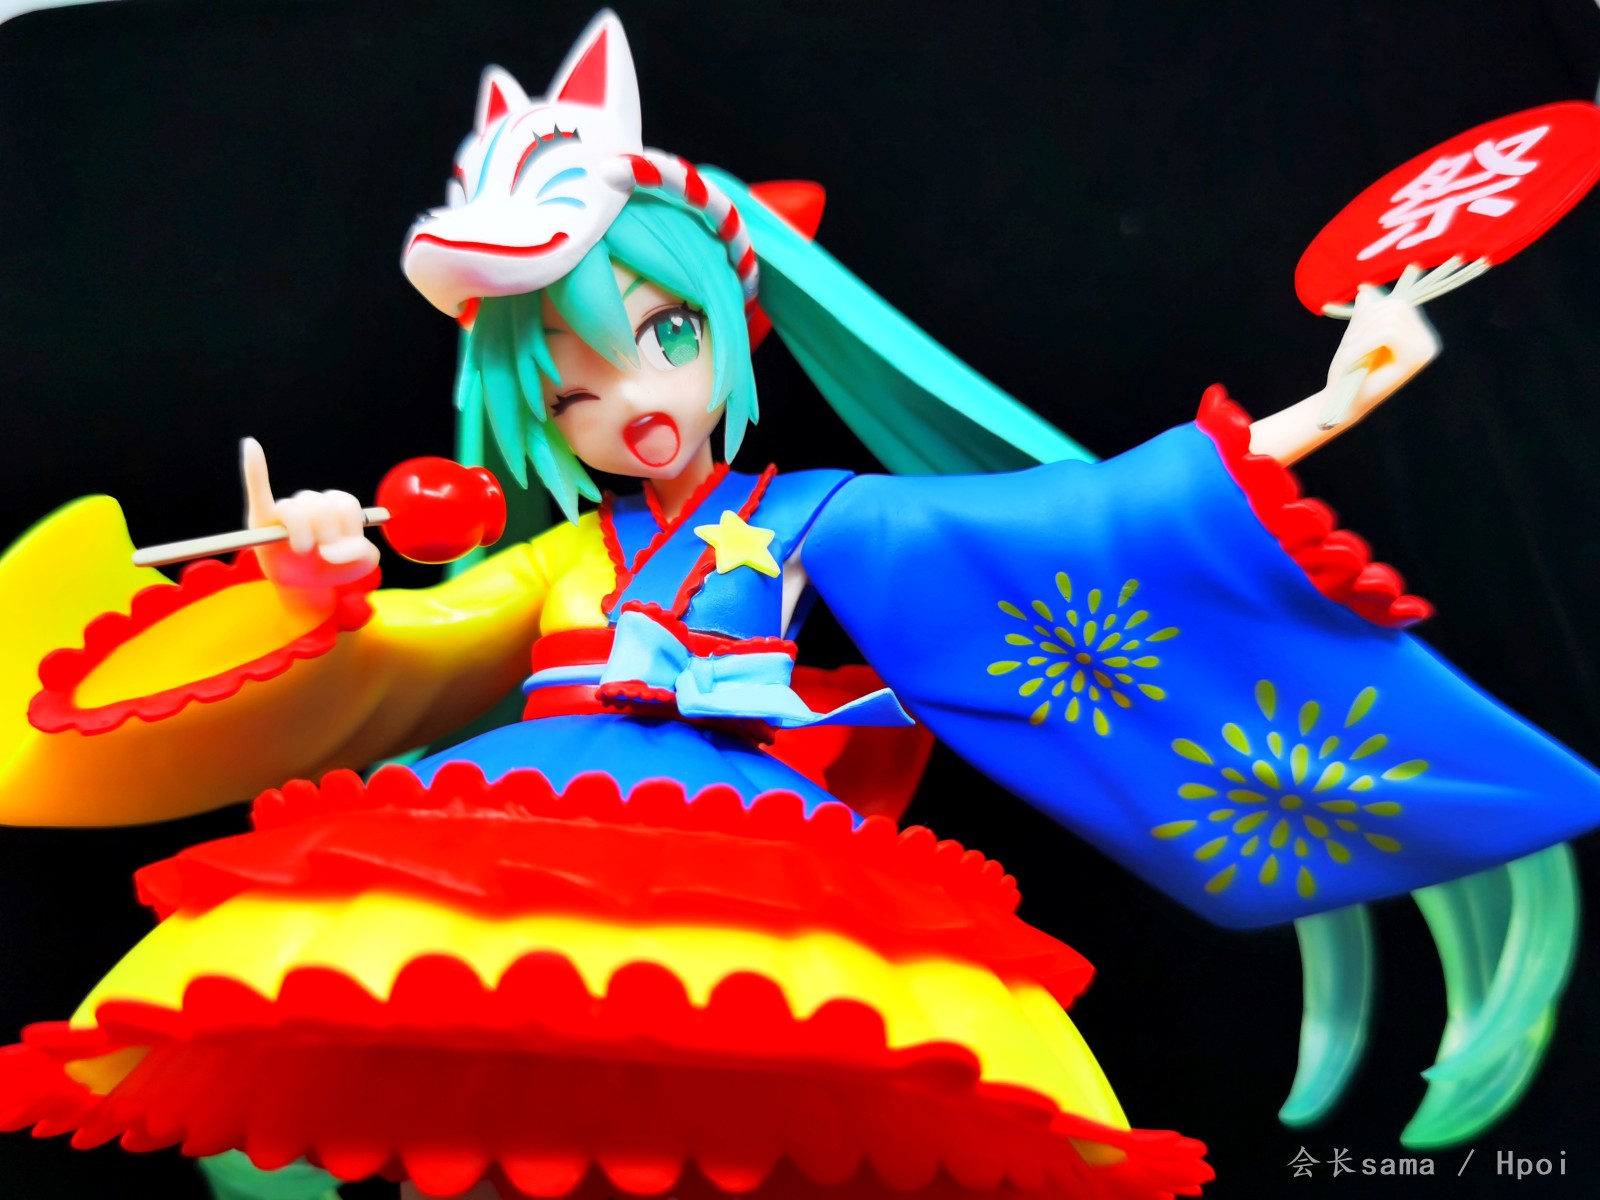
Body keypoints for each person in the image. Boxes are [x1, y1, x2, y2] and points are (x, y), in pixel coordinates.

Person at [0, 10, 1592, 1198]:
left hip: (757, 845)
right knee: (465, 1048)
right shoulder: (559, 559)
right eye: (570, 389)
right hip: (511, 827)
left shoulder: (817, 517)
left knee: (759, 1091)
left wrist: (1330, 403)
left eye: (664, 339)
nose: (633, 401)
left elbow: (1075, 520)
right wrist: (319, 574)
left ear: (734, 329)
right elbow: (415, 637)